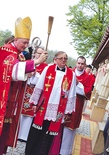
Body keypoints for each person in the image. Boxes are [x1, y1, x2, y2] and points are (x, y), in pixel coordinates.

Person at [0, 17, 48, 154]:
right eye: (24, 42)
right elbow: (12, 71)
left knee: (6, 130)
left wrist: (29, 73)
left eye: (27, 43)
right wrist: (36, 62)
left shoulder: (20, 55)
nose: (26, 45)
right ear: (15, 40)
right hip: (3, 99)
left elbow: (20, 74)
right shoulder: (6, 50)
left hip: (12, 102)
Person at [25, 51, 76, 155]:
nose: (63, 60)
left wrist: (67, 111)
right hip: (44, 106)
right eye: (61, 58)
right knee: (36, 132)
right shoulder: (48, 69)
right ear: (55, 59)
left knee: (49, 136)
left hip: (58, 110)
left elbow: (71, 93)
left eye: (65, 59)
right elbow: (39, 85)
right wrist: (34, 103)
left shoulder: (71, 74)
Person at [59, 56, 95, 155]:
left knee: (70, 128)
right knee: (59, 126)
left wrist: (78, 84)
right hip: (64, 103)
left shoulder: (89, 77)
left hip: (76, 105)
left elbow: (87, 92)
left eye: (82, 64)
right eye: (78, 63)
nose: (80, 65)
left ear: (85, 64)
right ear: (76, 63)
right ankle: (55, 148)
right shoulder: (69, 72)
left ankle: (65, 151)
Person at [18, 46, 48, 142]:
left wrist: (35, 75)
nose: (40, 55)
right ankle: (17, 133)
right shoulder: (28, 62)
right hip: (24, 89)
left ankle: (24, 136)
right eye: (39, 53)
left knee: (30, 114)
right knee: (20, 112)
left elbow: (45, 81)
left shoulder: (45, 67)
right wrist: (27, 74)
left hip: (34, 92)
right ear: (34, 53)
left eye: (42, 54)